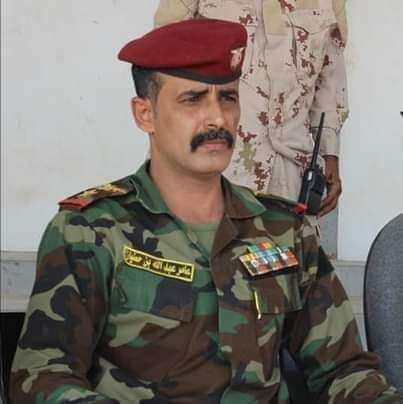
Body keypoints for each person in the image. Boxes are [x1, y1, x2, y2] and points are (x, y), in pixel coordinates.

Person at [9, 19, 401, 404]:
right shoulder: (90, 230)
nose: (217, 118)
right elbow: (42, 377)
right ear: (145, 114)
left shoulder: (284, 230)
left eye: (227, 98)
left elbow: (344, 370)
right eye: (193, 99)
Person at [154, 0, 348, 217]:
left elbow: (330, 78)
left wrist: (330, 153)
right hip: (215, 166)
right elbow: (164, 67)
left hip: (291, 176)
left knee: (292, 239)